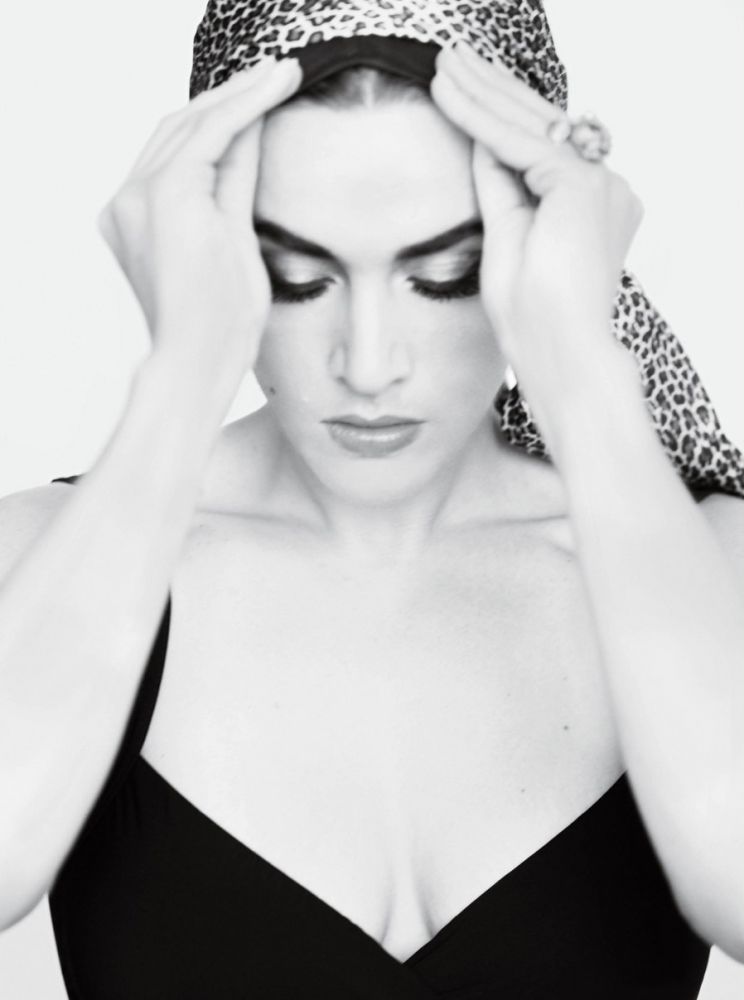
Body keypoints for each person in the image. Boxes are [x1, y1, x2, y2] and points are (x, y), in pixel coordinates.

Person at [0, 1, 742, 996]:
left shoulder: (707, 564)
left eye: (446, 275)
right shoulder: (45, 558)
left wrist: (581, 368)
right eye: (295, 277)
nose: (368, 363)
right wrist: (181, 376)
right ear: (209, 250)